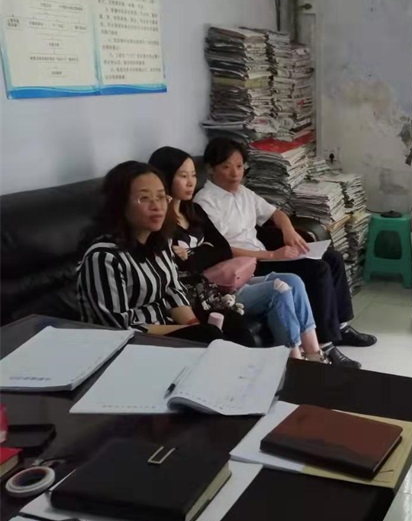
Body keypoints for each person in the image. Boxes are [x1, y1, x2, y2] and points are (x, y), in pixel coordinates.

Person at [194, 138, 376, 368]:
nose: (235, 173)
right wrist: (273, 256)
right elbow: (221, 249)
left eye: (239, 166)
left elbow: (276, 213)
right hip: (246, 266)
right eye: (226, 167)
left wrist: (288, 230)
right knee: (317, 270)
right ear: (211, 169)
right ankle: (326, 342)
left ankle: (342, 326)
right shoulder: (205, 202)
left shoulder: (243, 193)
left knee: (333, 258)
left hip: (264, 254)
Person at [148, 146, 329, 363]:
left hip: (227, 279)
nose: (190, 182)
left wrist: (193, 252)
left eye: (193, 175)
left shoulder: (194, 212)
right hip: (205, 292)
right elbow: (181, 265)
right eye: (183, 176)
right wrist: (205, 250)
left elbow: (222, 249)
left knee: (294, 281)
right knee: (279, 290)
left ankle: (315, 355)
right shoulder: (161, 223)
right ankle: (295, 363)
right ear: (165, 178)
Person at [77, 161, 222, 345]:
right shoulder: (103, 257)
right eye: (144, 198)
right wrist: (190, 332)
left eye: (161, 197)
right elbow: (117, 327)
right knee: (209, 335)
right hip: (128, 343)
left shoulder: (161, 242)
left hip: (163, 327)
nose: (157, 206)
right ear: (120, 204)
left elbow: (173, 291)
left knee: (229, 322)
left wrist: (193, 326)